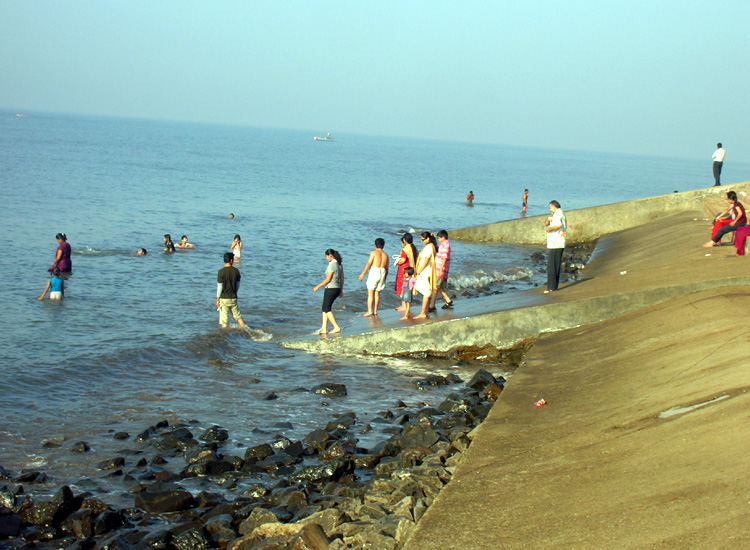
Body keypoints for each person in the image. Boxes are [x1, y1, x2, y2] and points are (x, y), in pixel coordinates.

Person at [313, 249, 344, 334]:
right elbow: (342, 279)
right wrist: (341, 290)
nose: (326, 258)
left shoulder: (331, 265)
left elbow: (328, 279)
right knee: (324, 308)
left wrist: (317, 286)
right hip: (337, 288)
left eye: (326, 256)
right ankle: (324, 328)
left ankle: (336, 327)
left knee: (327, 308)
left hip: (331, 288)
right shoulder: (339, 265)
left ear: (330, 256)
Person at [358, 238, 389, 317]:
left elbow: (369, 264)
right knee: (377, 293)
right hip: (382, 272)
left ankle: (369, 310)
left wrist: (362, 274)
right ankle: (375, 311)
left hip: (375, 271)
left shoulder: (374, 253)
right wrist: (385, 278)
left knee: (370, 293)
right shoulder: (386, 255)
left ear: (375, 245)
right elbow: (387, 268)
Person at [216, 252, 247, 329]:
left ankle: (224, 336)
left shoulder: (221, 272)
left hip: (224, 298)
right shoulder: (236, 271)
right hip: (233, 297)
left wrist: (217, 298)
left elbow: (220, 286)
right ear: (231, 260)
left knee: (224, 320)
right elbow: (238, 284)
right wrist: (235, 292)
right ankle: (246, 330)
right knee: (238, 316)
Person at [413, 232, 437, 319]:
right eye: (421, 239)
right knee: (426, 291)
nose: (422, 241)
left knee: (426, 291)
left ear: (428, 239)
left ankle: (423, 312)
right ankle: (425, 312)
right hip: (426, 271)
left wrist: (418, 271)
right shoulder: (430, 246)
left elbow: (426, 260)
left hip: (425, 272)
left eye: (423, 239)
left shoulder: (429, 247)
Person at [544, 200, 566, 293]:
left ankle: (551, 287)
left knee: (551, 266)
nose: (549, 209)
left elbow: (558, 225)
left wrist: (550, 229)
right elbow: (546, 223)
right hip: (558, 243)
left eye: (550, 207)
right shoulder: (558, 214)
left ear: (554, 206)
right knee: (555, 265)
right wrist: (549, 220)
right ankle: (554, 286)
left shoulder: (558, 214)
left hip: (556, 243)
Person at [430, 230, 454, 309]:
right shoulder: (443, 244)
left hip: (441, 269)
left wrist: (440, 270)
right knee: (438, 287)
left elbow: (444, 258)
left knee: (437, 287)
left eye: (439, 238)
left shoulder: (445, 245)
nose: (438, 240)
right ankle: (445, 301)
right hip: (439, 268)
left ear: (443, 237)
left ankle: (434, 305)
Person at [394, 233, 418, 306]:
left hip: (405, 269)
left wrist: (397, 262)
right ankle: (404, 305)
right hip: (411, 268)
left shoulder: (406, 249)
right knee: (408, 286)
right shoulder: (413, 247)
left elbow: (403, 259)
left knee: (404, 286)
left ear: (404, 240)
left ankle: (404, 305)